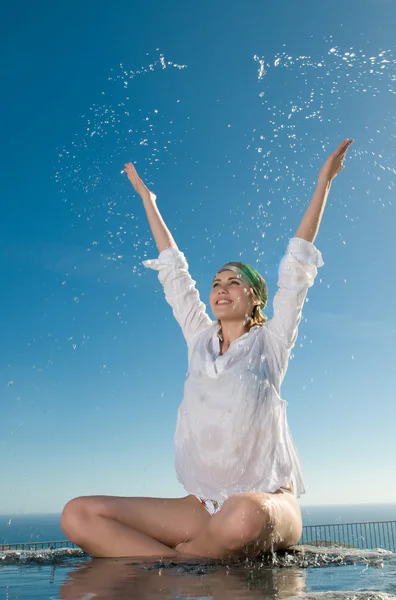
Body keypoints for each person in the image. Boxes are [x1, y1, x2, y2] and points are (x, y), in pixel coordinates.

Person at [60, 139, 353, 559]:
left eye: (234, 282)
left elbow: (297, 268)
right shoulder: (199, 338)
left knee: (243, 517)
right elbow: (174, 270)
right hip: (202, 507)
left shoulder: (271, 342)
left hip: (267, 503)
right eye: (216, 282)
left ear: (256, 298)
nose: (221, 288)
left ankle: (182, 560)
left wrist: (323, 184)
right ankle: (181, 560)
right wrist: (147, 198)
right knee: (77, 515)